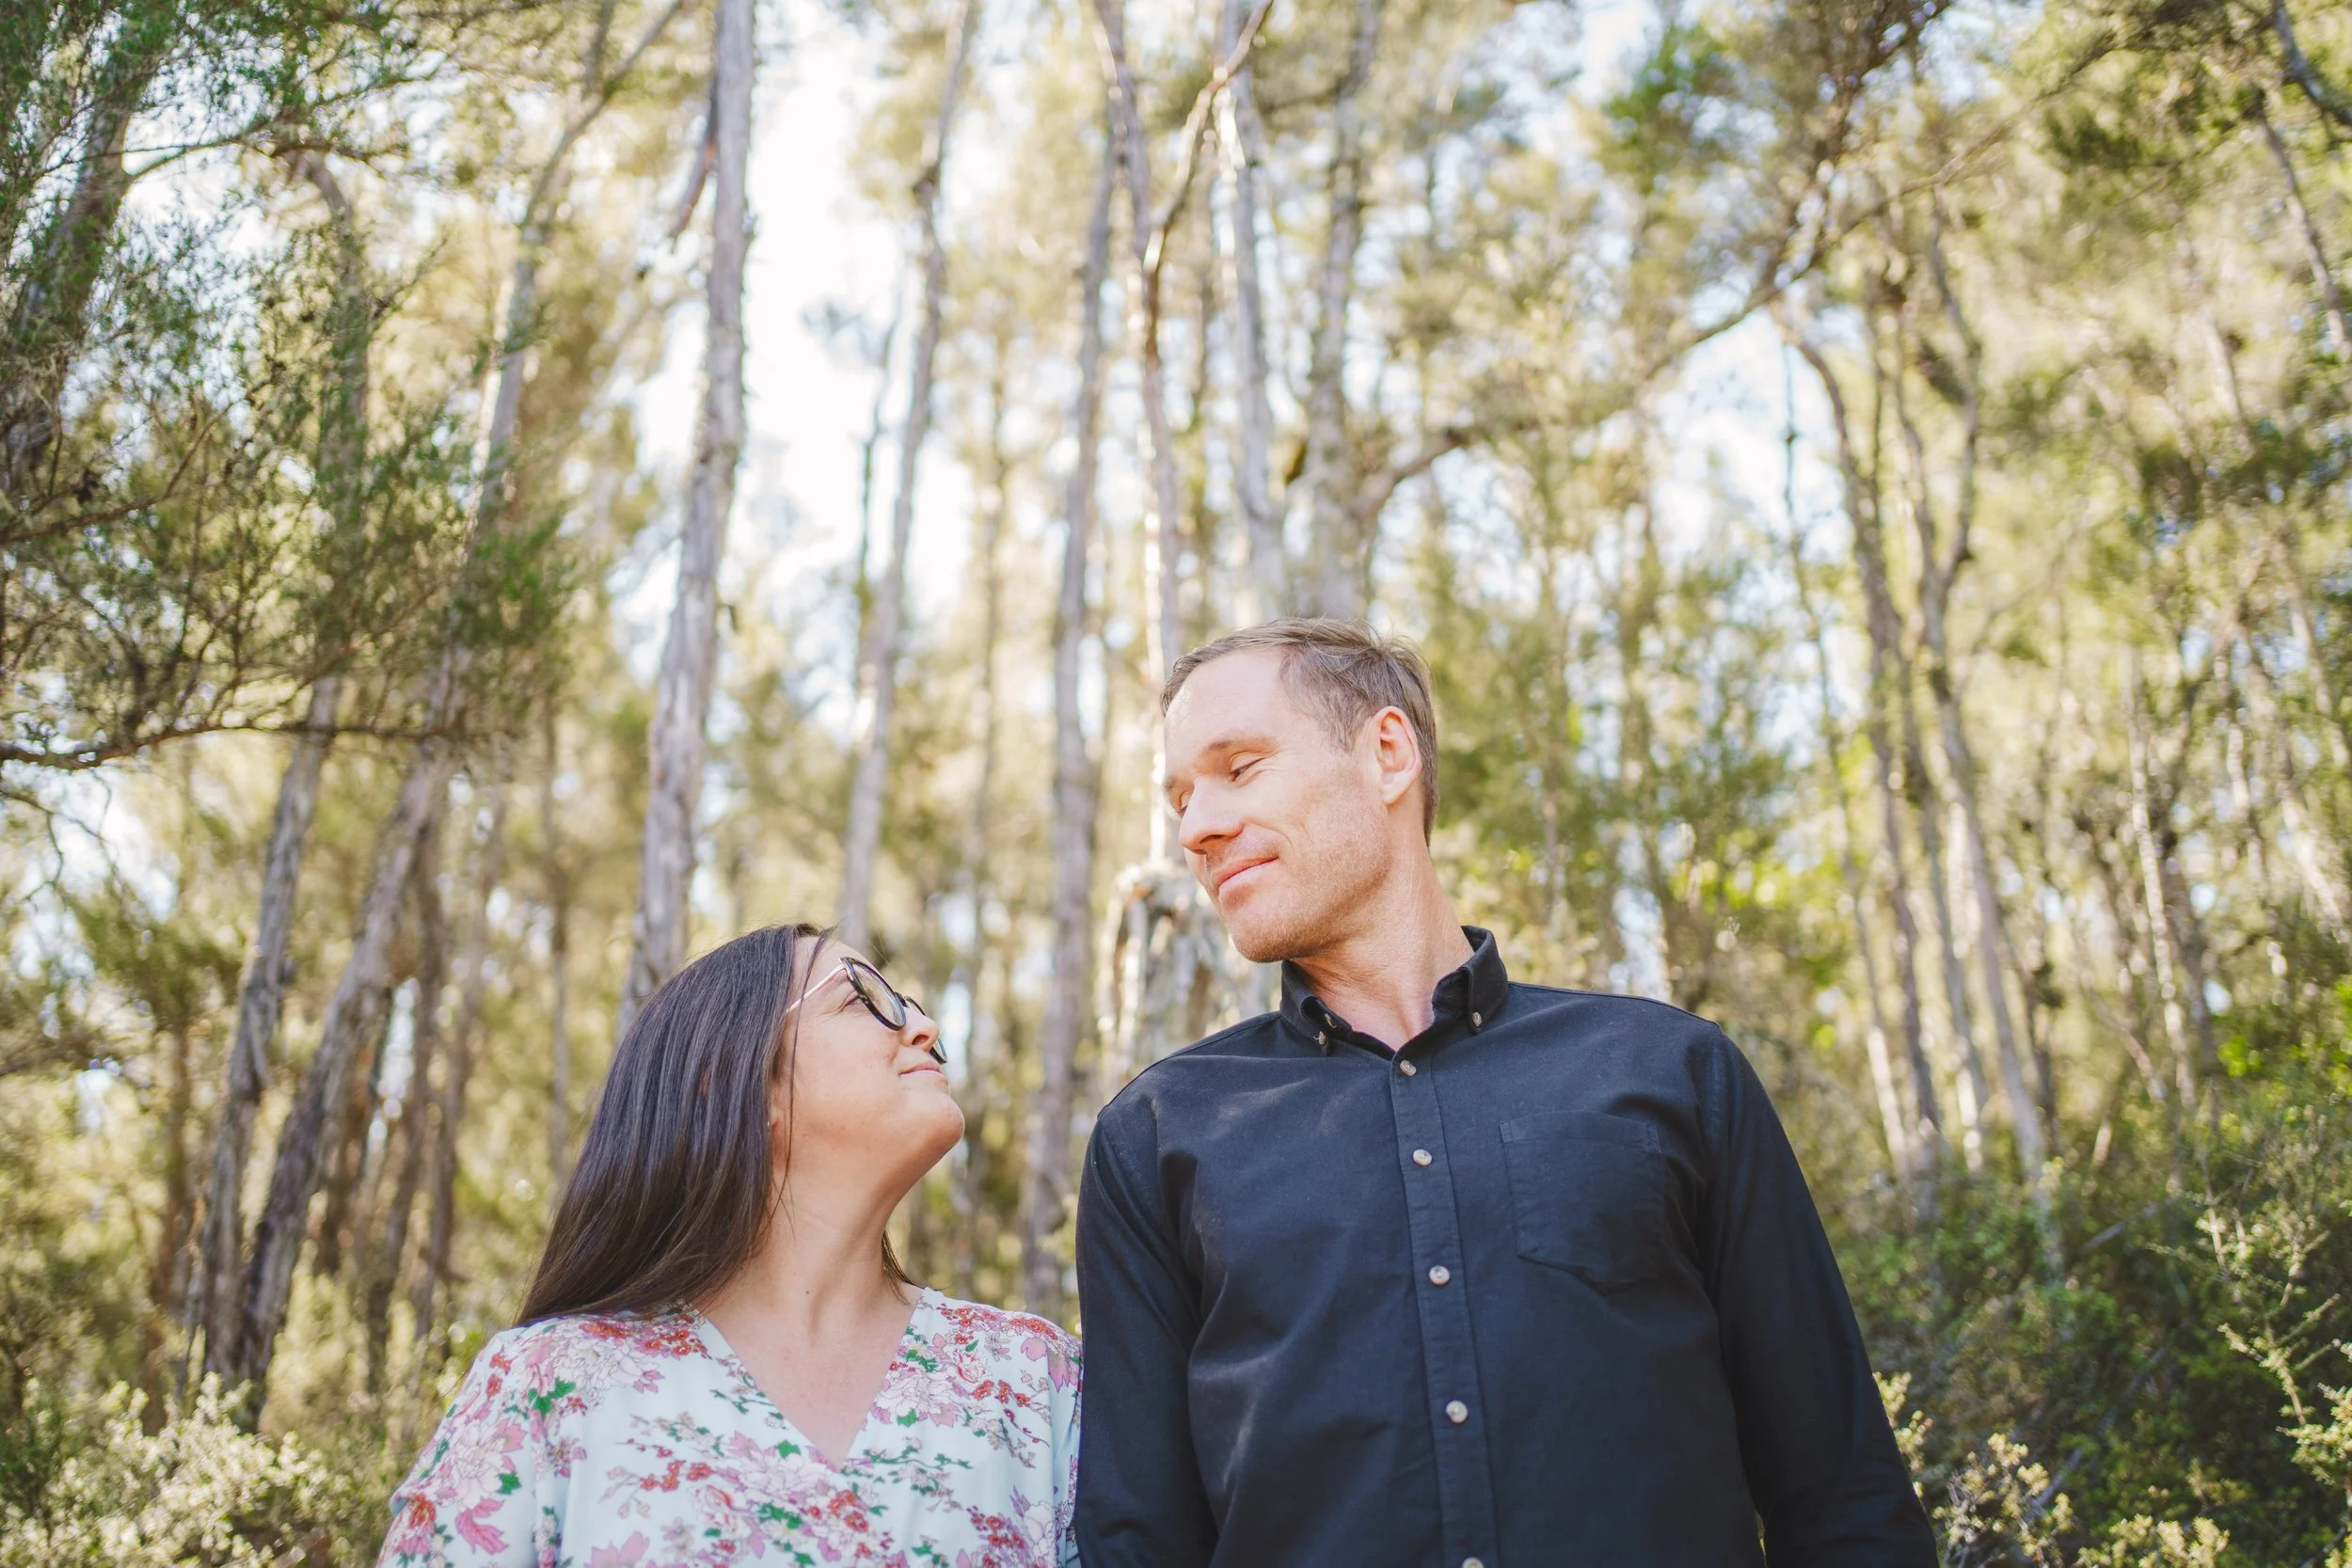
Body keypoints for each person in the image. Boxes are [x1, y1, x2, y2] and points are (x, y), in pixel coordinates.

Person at [1074, 619, 1935, 1567]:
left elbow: (1843, 1498)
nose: (1195, 828)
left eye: (1238, 769)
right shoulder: (1153, 1136)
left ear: (1388, 754)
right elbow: (1137, 1544)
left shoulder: (1670, 1071)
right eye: (1181, 797)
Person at [377, 925, 1080, 1568]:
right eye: (865, 1000)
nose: (925, 1026)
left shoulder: (1038, 1383)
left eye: (913, 1004)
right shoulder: (547, 1387)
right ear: (742, 1081)